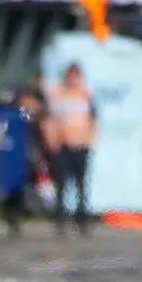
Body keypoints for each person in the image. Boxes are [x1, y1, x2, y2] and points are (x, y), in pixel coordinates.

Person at [44, 63, 96, 234]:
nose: (72, 79)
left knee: (81, 184)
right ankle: (60, 218)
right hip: (63, 144)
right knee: (62, 184)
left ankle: (82, 219)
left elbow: (93, 118)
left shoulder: (84, 94)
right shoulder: (58, 94)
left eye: (75, 75)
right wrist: (51, 140)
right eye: (70, 75)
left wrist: (91, 139)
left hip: (80, 143)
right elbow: (50, 120)